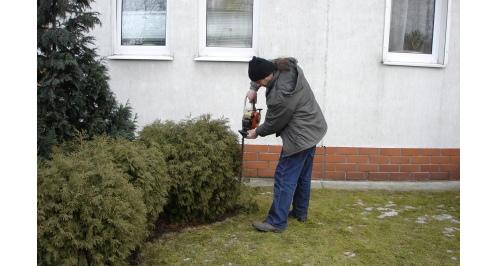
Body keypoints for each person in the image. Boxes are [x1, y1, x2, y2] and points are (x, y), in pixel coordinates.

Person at [246, 56, 327, 233]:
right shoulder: (284, 67)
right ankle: (299, 212)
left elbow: (274, 122)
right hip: (314, 128)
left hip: (300, 136)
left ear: (267, 76)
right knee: (302, 175)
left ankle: (276, 221)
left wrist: (256, 132)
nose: (260, 84)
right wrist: (253, 88)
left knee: (284, 177)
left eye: (260, 81)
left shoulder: (281, 94)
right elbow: (265, 65)